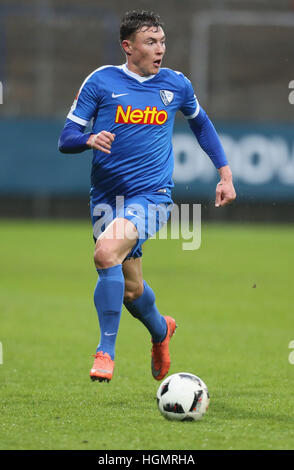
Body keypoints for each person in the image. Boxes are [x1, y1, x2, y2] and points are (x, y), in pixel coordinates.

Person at [58, 10, 236, 383]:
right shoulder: (101, 82)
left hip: (152, 196)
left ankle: (105, 351)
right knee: (132, 289)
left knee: (105, 253)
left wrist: (224, 172)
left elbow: (201, 123)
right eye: (151, 42)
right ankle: (161, 331)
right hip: (106, 199)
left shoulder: (176, 85)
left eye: (163, 41)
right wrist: (89, 138)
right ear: (128, 46)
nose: (160, 49)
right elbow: (66, 138)